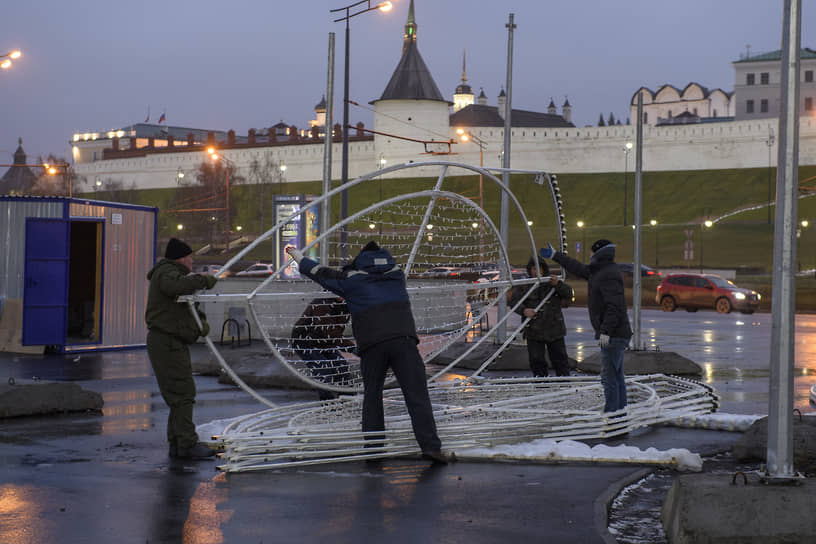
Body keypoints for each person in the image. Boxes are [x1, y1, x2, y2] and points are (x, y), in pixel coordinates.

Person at [286, 241, 447, 464]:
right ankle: (431, 447)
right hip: (404, 340)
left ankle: (373, 449)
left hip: (373, 345)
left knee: (373, 397)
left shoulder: (352, 280)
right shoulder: (397, 275)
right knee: (417, 394)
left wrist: (297, 256)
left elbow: (318, 272)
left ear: (360, 259)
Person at [145, 237, 219, 459]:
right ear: (181, 258)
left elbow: (187, 308)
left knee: (179, 395)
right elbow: (174, 287)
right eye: (190, 257)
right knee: (184, 393)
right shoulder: (167, 273)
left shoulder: (173, 274)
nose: (192, 261)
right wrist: (202, 280)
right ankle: (186, 444)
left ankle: (178, 442)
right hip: (166, 342)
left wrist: (199, 326)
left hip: (170, 341)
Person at [539, 239, 632, 413]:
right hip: (615, 333)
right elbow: (578, 268)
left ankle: (613, 416)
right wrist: (556, 256)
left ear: (598, 253)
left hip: (614, 335)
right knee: (616, 376)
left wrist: (605, 332)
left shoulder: (608, 274)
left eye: (591, 252)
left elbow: (615, 306)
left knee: (609, 377)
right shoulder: (600, 271)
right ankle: (620, 413)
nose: (589, 255)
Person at [508, 257, 573, 377]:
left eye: (540, 268)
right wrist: (524, 311)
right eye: (533, 268)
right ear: (530, 270)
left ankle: (564, 386)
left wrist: (558, 285)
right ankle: (541, 386)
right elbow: (513, 302)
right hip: (534, 331)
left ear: (544, 269)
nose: (536, 271)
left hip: (555, 330)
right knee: (537, 362)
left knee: (560, 360)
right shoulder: (525, 285)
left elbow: (569, 294)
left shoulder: (553, 282)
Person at [291, 297, 354, 400]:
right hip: (305, 341)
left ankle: (347, 398)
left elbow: (334, 331)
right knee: (323, 368)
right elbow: (329, 331)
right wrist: (351, 348)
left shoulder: (346, 305)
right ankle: (327, 402)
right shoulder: (321, 304)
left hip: (325, 341)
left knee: (341, 366)